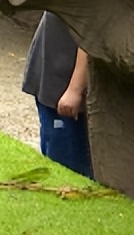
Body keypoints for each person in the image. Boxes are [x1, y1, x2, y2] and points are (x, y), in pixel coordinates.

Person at [22, 11, 94, 179]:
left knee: (67, 169)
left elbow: (91, 36)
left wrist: (75, 90)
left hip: (65, 90)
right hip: (49, 80)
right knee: (51, 150)